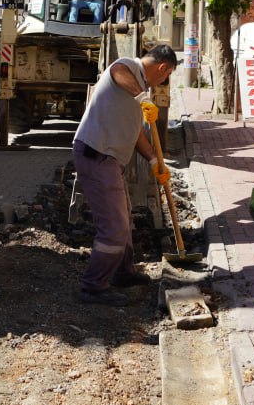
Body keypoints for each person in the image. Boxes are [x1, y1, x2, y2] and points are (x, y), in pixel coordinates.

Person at [73, 44, 179, 306]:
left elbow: (137, 134)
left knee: (124, 215)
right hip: (96, 154)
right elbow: (118, 70)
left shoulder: (138, 87)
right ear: (163, 68)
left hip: (107, 158)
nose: (163, 81)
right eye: (166, 76)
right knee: (114, 228)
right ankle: (92, 287)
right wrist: (143, 98)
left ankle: (123, 272)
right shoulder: (128, 68)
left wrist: (154, 160)